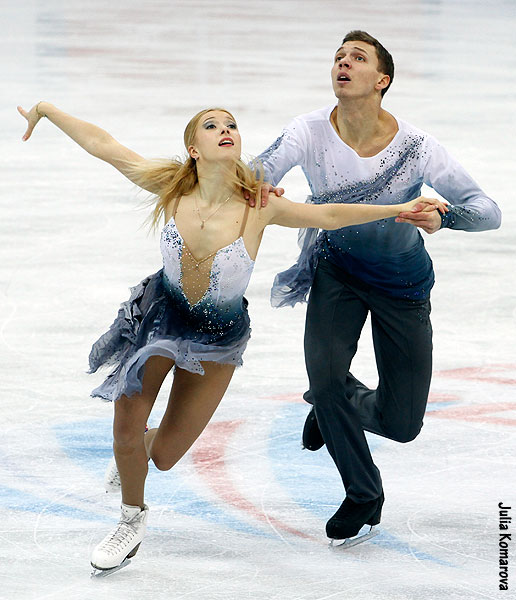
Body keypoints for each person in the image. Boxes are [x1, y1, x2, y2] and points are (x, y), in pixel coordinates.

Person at [18, 101, 445, 570]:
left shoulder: (258, 205)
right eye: (212, 125)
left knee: (162, 455)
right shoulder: (170, 186)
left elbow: (329, 216)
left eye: (232, 125)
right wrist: (47, 110)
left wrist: (401, 207)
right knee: (126, 415)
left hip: (218, 338)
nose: (226, 130)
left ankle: (134, 456)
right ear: (193, 148)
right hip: (160, 318)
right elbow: (105, 146)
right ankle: (131, 520)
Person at [251, 30, 501, 544]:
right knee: (324, 374)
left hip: (401, 284)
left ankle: (331, 404)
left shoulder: (416, 148)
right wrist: (255, 180)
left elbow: (489, 212)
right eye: (339, 56)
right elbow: (257, 169)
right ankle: (363, 493)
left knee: (402, 422)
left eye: (357, 58)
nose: (343, 62)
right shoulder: (309, 130)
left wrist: (446, 219)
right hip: (336, 270)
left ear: (381, 80)